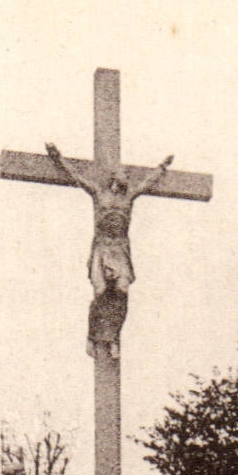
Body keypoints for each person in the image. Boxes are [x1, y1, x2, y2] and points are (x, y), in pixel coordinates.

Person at [45, 142, 173, 359]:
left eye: (126, 176)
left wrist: (162, 167)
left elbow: (147, 182)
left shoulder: (129, 197)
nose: (125, 178)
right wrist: (58, 158)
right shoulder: (98, 193)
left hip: (120, 247)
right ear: (115, 177)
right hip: (103, 246)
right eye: (122, 174)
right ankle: (92, 337)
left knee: (122, 291)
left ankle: (113, 337)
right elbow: (75, 175)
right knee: (101, 292)